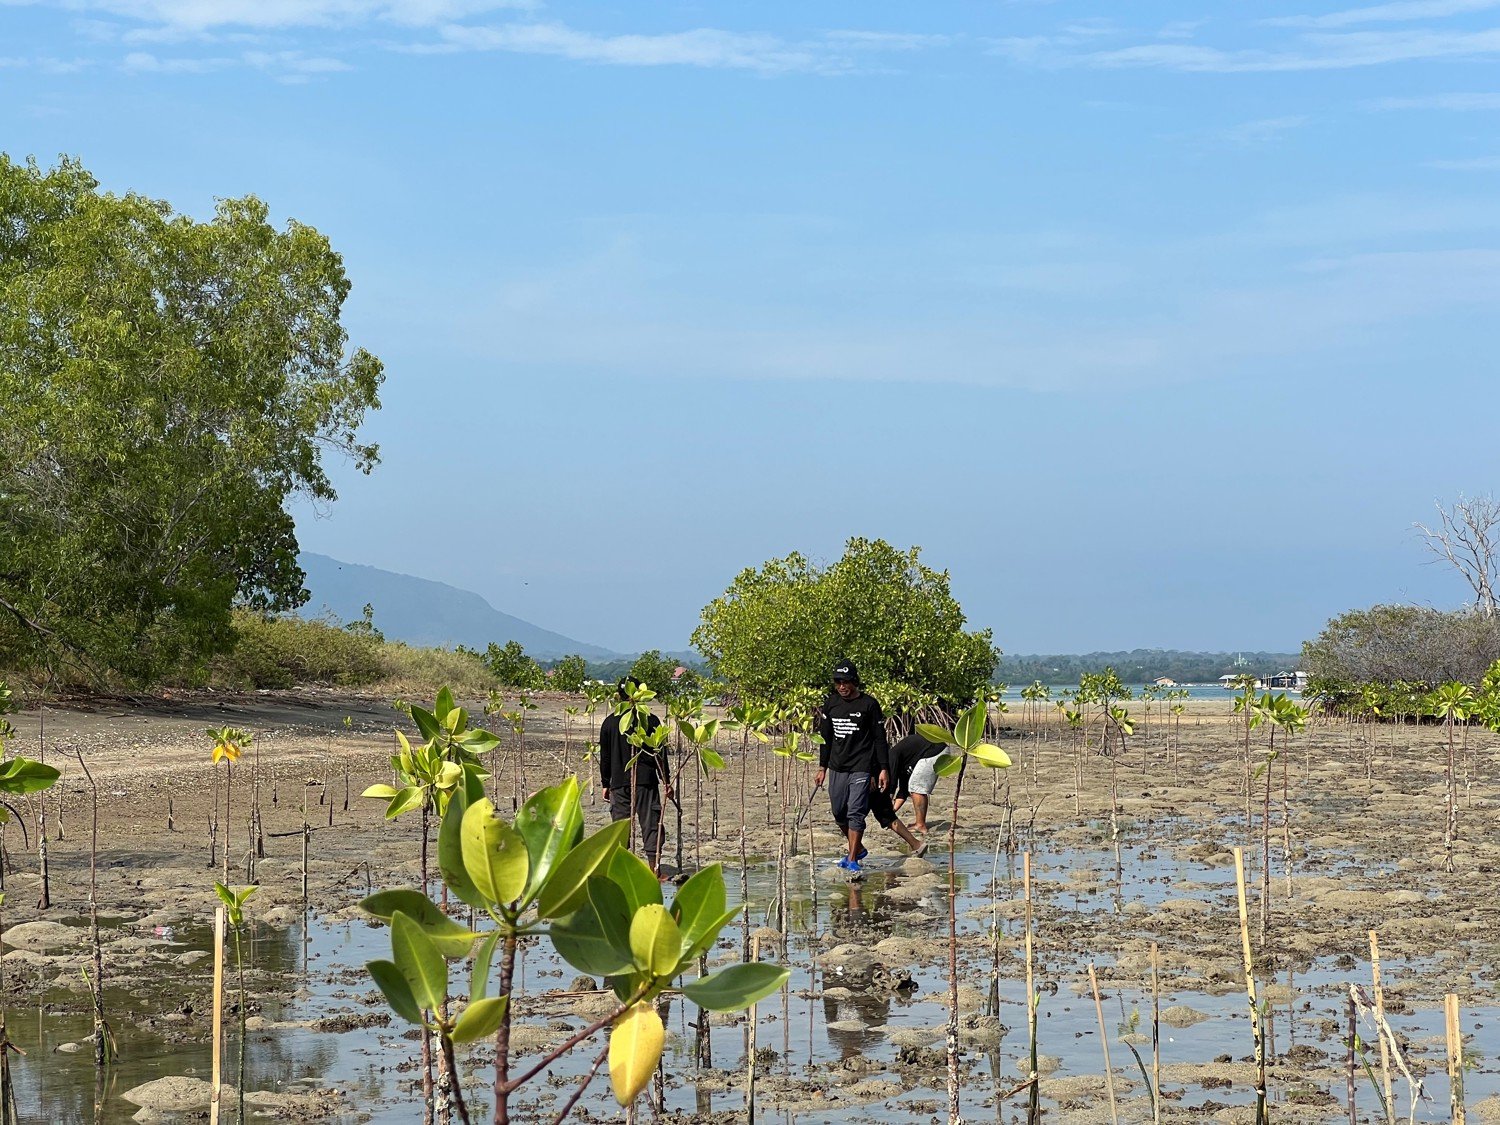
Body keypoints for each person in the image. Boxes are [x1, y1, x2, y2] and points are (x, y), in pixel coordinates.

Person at [815, 658, 898, 878]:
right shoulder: (831, 704)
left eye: (846, 681)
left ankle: (852, 859)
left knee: (855, 812)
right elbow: (826, 738)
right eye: (838, 682)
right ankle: (859, 849)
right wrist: (822, 767)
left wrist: (883, 768)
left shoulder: (869, 704)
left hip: (862, 766)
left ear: (854, 682)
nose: (842, 686)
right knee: (838, 812)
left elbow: (880, 739)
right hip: (837, 766)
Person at [598, 678, 673, 876]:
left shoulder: (609, 722)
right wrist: (666, 781)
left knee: (620, 828)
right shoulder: (651, 720)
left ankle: (622, 872)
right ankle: (654, 869)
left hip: (619, 783)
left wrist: (605, 783)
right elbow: (661, 754)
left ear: (619, 696)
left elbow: (604, 757)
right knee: (651, 824)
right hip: (646, 782)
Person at [888, 728, 944, 836]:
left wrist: (886, 805)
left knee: (917, 787)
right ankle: (919, 823)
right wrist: (892, 811)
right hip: (933, 751)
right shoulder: (904, 761)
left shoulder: (892, 756)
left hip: (935, 750)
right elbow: (904, 790)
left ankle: (920, 825)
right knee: (912, 786)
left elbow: (891, 785)